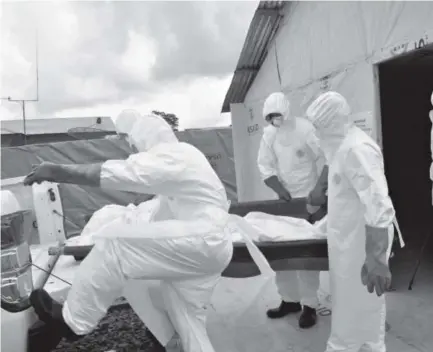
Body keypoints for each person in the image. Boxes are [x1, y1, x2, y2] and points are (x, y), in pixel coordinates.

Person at [24, 110, 234, 352]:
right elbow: (158, 218)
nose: (134, 151)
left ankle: (73, 321)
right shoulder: (186, 157)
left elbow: (117, 173)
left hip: (202, 243)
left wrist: (56, 171)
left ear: (145, 137)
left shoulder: (172, 156)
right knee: (189, 323)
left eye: (134, 144)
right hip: (210, 247)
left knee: (115, 245)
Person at [306, 91, 395, 352]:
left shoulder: (357, 149)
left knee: (358, 314)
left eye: (318, 128)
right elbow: (344, 200)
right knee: (351, 311)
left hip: (361, 248)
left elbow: (379, 205)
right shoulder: (341, 149)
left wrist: (377, 259)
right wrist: (319, 229)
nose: (316, 134)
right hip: (349, 244)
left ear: (332, 123)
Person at [257, 92, 327, 328]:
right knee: (282, 253)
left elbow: (327, 156)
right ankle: (289, 300)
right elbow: (264, 166)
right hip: (284, 202)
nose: (274, 120)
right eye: (270, 117)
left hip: (308, 198)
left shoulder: (305, 129)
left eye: (277, 115)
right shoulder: (269, 134)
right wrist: (279, 189)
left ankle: (309, 305)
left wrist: (319, 190)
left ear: (286, 112)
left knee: (305, 254)